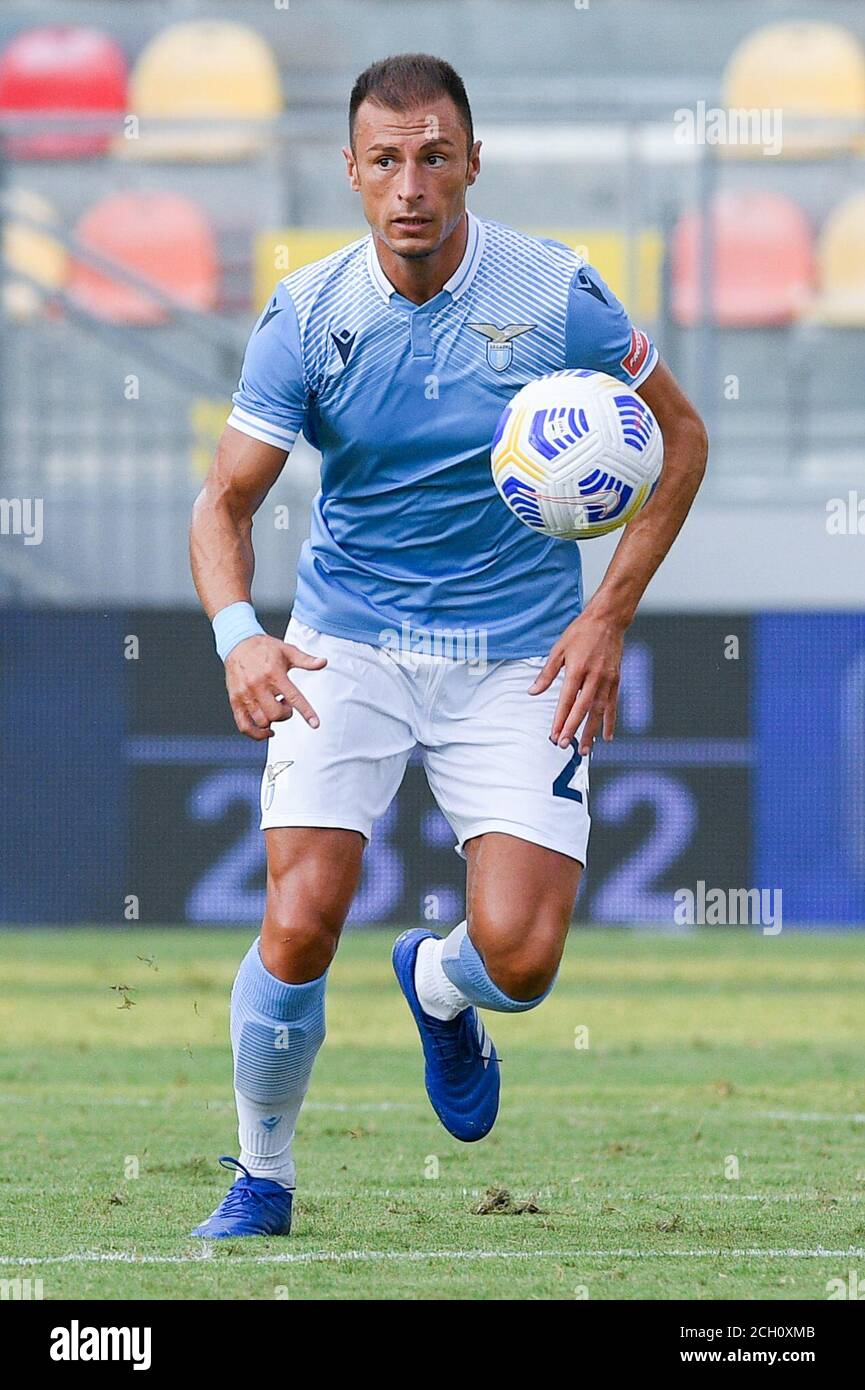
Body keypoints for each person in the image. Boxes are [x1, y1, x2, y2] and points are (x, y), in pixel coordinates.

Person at [188, 53, 707, 1237]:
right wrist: (239, 637)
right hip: (346, 646)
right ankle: (262, 1176)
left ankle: (435, 981)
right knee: (301, 913)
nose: (410, 183)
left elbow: (681, 439)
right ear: (351, 173)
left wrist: (606, 611)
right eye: (386, 160)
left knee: (520, 961)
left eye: (433, 156)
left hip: (518, 652)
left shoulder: (558, 294)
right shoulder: (307, 318)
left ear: (473, 161)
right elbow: (223, 502)